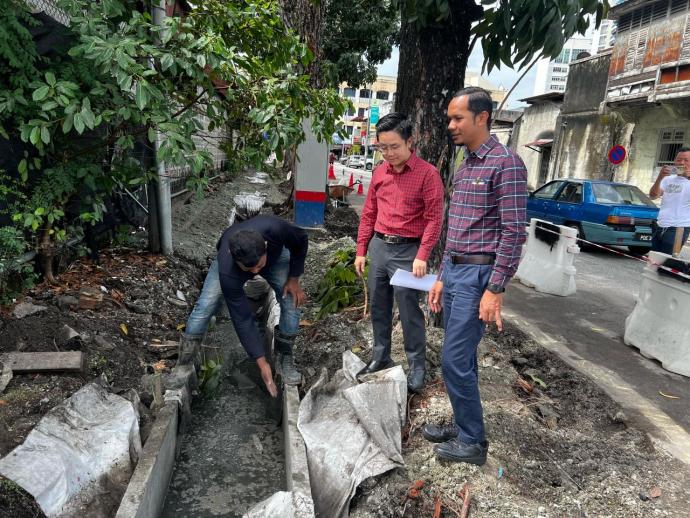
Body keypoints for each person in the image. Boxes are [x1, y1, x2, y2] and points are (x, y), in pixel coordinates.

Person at [424, 87, 528, 465]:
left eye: (457, 118)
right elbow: (457, 228)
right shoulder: (465, 164)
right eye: (450, 118)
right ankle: (462, 423)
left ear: (482, 118)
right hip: (454, 271)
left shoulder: (507, 164)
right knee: (456, 357)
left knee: (454, 358)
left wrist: (495, 288)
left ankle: (473, 442)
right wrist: (440, 275)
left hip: (478, 276)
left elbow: (514, 231)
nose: (450, 125)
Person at [354, 112, 445, 393]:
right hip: (380, 248)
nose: (389, 153)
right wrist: (361, 250)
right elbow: (369, 212)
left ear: (410, 142)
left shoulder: (427, 174)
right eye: (383, 148)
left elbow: (434, 218)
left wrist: (422, 255)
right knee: (379, 307)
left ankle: (417, 366)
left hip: (409, 252)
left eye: (394, 146)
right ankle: (381, 357)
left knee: (409, 311)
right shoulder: (379, 172)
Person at [179, 214, 308, 396]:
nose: (256, 272)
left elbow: (301, 240)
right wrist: (261, 363)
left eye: (259, 266)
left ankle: (284, 356)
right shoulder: (228, 269)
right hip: (239, 263)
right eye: (249, 269)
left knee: (290, 300)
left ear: (265, 246)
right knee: (205, 305)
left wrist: (294, 278)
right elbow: (242, 317)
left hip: (275, 258)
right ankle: (184, 362)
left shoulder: (276, 229)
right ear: (233, 256)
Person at [649, 147, 690, 255]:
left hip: (678, 228)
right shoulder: (668, 179)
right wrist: (660, 177)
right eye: (679, 159)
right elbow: (653, 195)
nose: (681, 163)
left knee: (667, 263)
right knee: (654, 261)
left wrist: (688, 177)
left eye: (686, 160)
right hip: (660, 224)